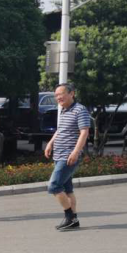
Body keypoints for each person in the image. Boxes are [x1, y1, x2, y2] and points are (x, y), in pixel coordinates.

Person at [44, 83, 91, 230]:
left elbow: (84, 132)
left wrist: (76, 152)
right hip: (59, 154)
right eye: (56, 95)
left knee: (54, 186)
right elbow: (60, 130)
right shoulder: (64, 110)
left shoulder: (80, 110)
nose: (58, 97)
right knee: (67, 188)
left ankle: (69, 217)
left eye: (61, 94)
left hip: (68, 155)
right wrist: (50, 143)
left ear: (72, 94)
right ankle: (74, 220)